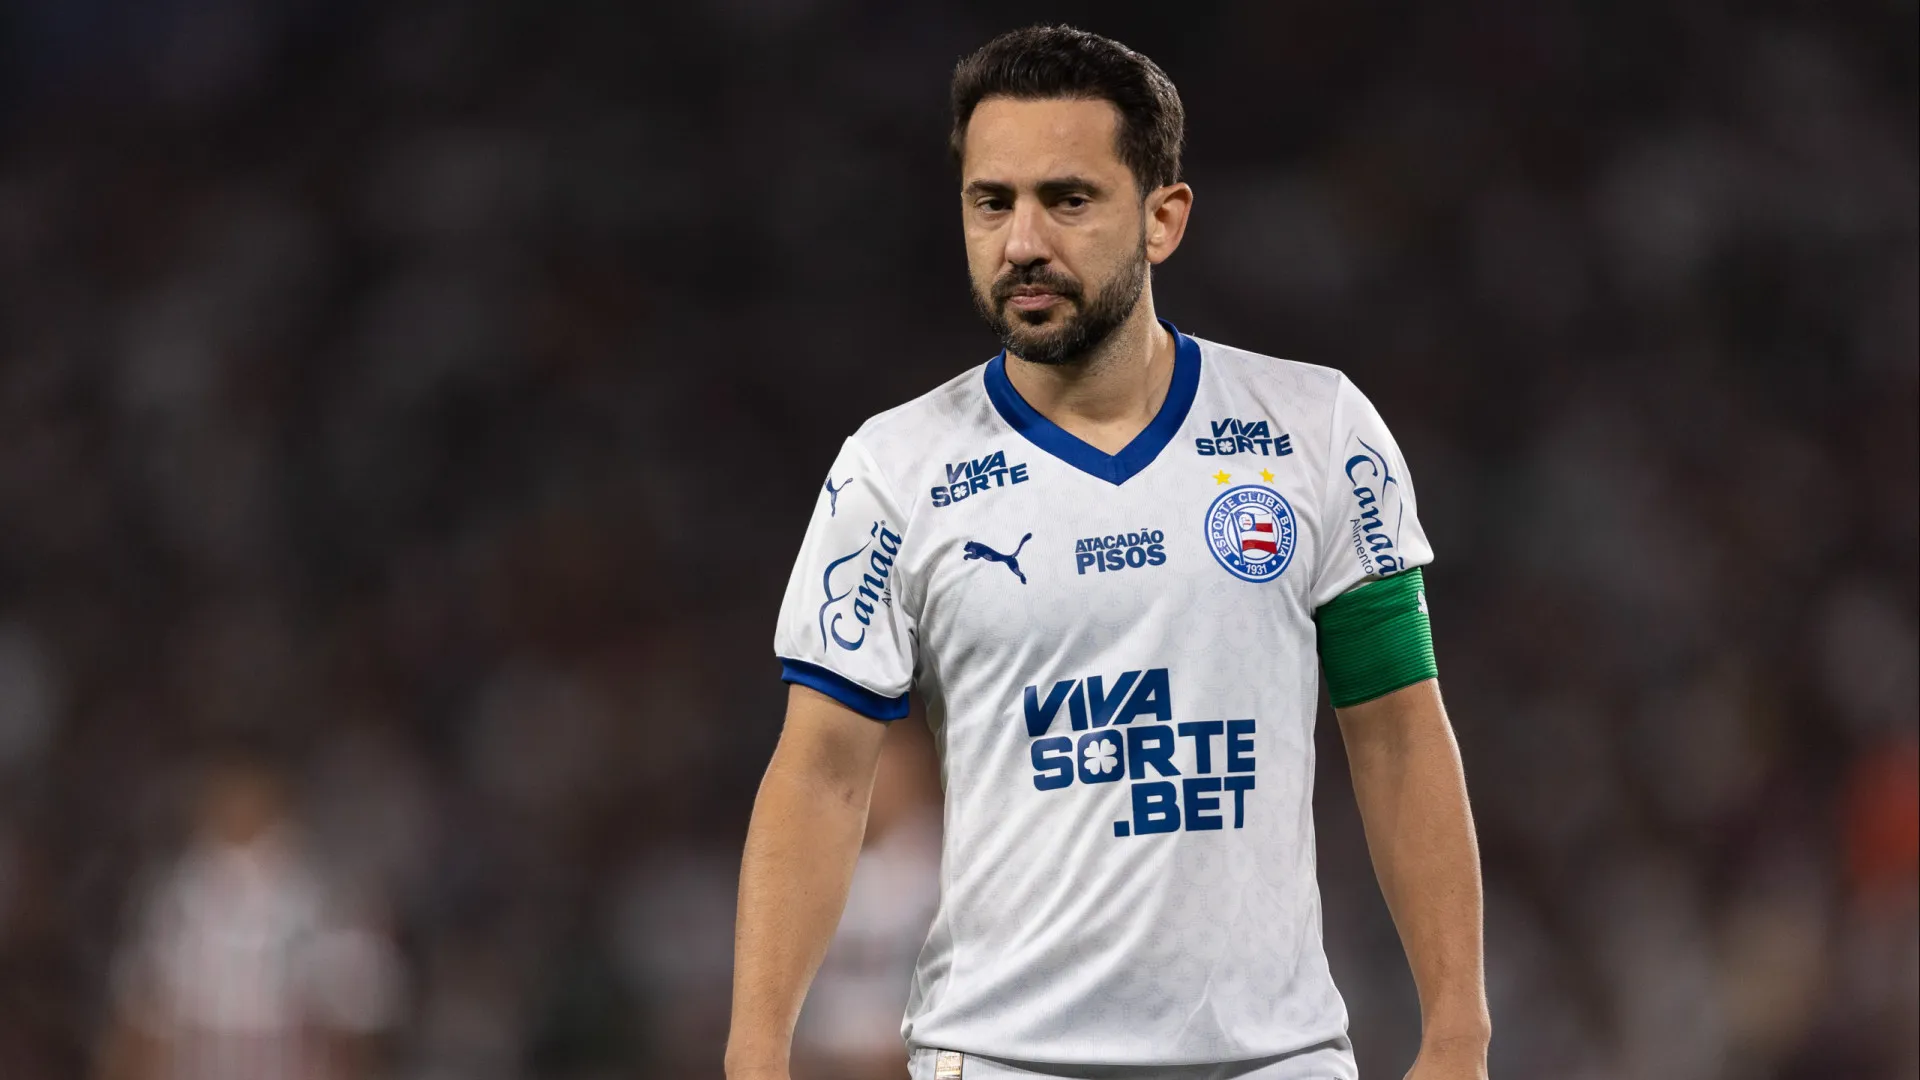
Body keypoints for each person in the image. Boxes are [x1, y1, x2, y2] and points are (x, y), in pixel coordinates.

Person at [729, 24, 1489, 1080]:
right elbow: (819, 774)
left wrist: (1458, 1032)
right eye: (991, 202)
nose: (1021, 241)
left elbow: (1399, 733)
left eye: (1068, 199)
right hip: (1003, 1057)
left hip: (1276, 1058)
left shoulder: (1316, 431)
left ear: (1162, 218)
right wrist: (755, 1054)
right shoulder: (892, 472)